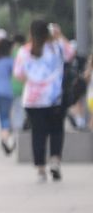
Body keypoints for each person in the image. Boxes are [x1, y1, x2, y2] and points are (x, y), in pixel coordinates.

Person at [15, 19, 74, 182]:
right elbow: (70, 54)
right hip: (54, 97)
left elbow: (19, 74)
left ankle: (41, 169)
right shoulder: (56, 47)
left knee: (38, 133)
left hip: (33, 100)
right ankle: (55, 160)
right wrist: (60, 35)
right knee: (56, 130)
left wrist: (34, 80)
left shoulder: (24, 51)